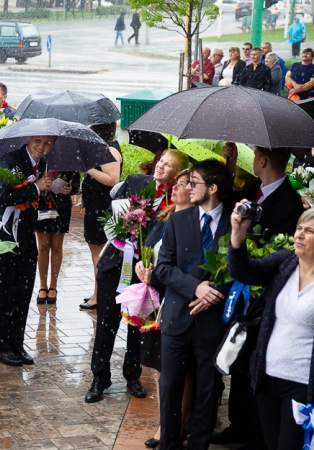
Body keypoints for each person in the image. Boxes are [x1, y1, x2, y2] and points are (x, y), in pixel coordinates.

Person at [212, 146, 304, 448]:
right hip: (245, 284)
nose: (301, 235)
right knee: (244, 359)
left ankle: (255, 433)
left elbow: (281, 243)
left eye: (256, 157)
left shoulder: (290, 202)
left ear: (262, 160)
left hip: (267, 294)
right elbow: (227, 202)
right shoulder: (253, 188)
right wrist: (230, 165)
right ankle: (240, 425)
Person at [85, 149, 190, 404]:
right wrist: (125, 230)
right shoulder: (135, 182)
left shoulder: (174, 203)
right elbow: (111, 217)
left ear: (177, 175)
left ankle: (133, 374)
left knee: (139, 324)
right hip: (116, 264)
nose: (161, 167)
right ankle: (100, 376)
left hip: (145, 272)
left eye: (168, 165)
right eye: (161, 161)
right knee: (107, 320)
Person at [155, 159, 233, 450]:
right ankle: (170, 444)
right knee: (171, 386)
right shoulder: (178, 219)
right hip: (178, 317)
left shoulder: (234, 223)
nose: (187, 187)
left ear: (212, 188)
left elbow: (242, 270)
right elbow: (163, 268)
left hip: (212, 322)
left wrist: (215, 292)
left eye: (194, 182)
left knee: (208, 390)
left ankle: (199, 444)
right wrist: (195, 287)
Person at [228, 207, 314, 450]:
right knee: (271, 443)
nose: (299, 235)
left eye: (309, 231)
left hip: (302, 385)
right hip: (268, 377)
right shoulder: (286, 262)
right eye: (299, 228)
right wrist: (238, 234)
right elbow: (245, 271)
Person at [134, 170, 193, 449]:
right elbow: (147, 249)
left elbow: (179, 269)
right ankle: (166, 421)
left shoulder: (192, 224)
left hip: (175, 301)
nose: (175, 188)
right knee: (161, 367)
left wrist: (155, 276)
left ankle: (176, 424)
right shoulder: (164, 216)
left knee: (178, 370)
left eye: (183, 184)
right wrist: (142, 267)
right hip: (157, 301)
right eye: (176, 183)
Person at [0, 136, 56, 367]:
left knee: (24, 292)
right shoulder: (10, 160)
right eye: (38, 141)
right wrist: (35, 187)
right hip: (4, 236)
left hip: (27, 237)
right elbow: (2, 197)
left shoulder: (43, 164)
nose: (42, 146)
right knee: (4, 293)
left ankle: (17, 343)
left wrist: (48, 190)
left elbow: (36, 199)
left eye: (48, 143)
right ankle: (2, 347)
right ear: (29, 138)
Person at [79, 122, 123, 311]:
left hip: (102, 210)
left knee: (99, 254)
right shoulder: (102, 148)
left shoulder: (110, 150)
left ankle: (99, 295)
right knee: (96, 253)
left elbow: (113, 179)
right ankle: (99, 292)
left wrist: (88, 168)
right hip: (95, 208)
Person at [35, 168, 79, 305]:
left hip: (61, 206)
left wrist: (70, 189)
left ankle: (53, 285)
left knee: (56, 246)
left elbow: (75, 182)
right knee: (42, 246)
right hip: (41, 204)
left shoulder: (68, 159)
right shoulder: (40, 159)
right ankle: (43, 285)